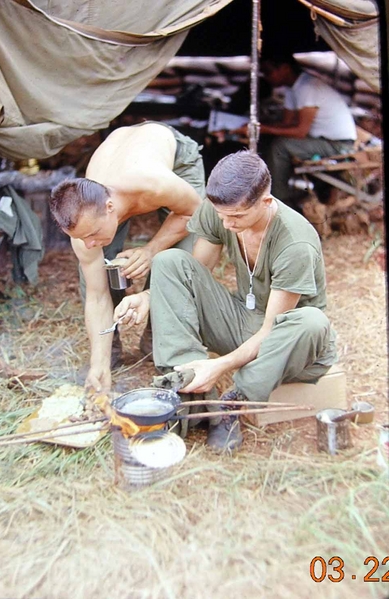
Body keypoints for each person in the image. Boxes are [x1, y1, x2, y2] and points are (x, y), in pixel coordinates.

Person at [114, 149, 338, 451]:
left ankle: (232, 404)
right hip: (243, 321)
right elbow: (195, 272)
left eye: (236, 216)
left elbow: (271, 331)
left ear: (266, 202)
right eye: (222, 215)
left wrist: (219, 366)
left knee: (312, 321)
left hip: (287, 343)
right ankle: (187, 385)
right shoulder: (220, 209)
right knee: (169, 262)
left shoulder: (295, 242)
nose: (227, 223)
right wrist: (148, 296)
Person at [49, 121, 205, 392]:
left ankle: (159, 334)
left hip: (171, 155)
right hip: (119, 152)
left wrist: (151, 250)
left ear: (110, 208)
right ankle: (111, 348)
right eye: (81, 237)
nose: (89, 243)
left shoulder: (154, 183)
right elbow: (97, 296)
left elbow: (196, 213)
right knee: (95, 274)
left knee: (181, 254)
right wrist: (99, 362)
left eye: (94, 234)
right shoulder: (85, 230)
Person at [259, 54, 357, 209]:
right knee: (271, 140)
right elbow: (286, 123)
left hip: (338, 144)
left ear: (285, 68)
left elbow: (300, 132)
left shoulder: (307, 87)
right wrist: (262, 129)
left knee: (280, 146)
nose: (266, 77)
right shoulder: (293, 88)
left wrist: (262, 128)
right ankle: (273, 191)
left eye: (268, 71)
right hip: (323, 140)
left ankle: (281, 200)